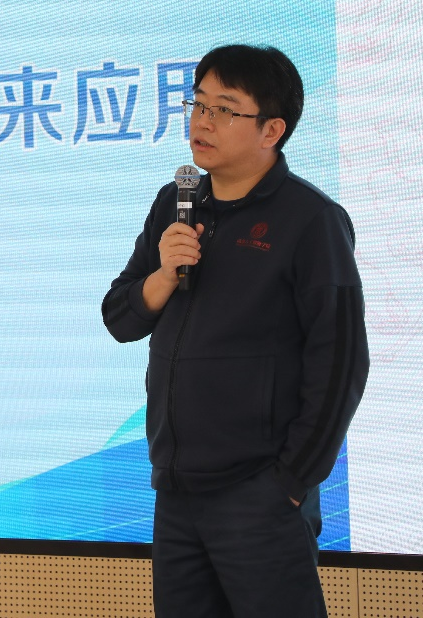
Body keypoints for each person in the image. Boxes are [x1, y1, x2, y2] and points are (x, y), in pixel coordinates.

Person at [102, 44, 369, 617]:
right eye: (197, 104)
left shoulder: (311, 221)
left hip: (259, 493)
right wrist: (163, 275)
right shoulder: (175, 204)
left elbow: (341, 362)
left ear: (272, 129)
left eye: (224, 109)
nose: (202, 121)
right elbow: (120, 317)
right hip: (176, 490)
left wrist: (291, 482)